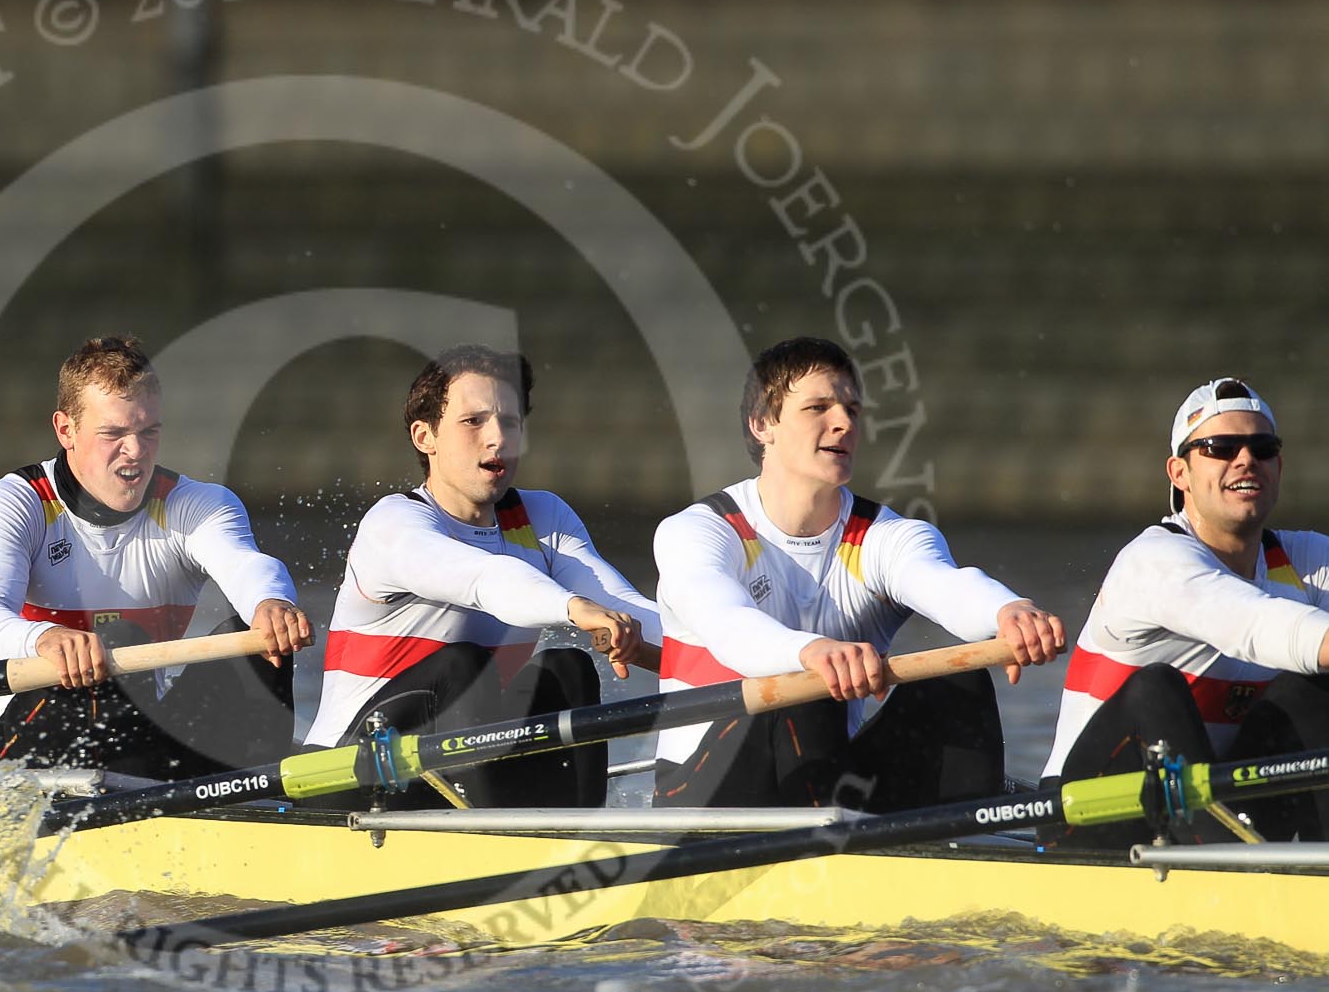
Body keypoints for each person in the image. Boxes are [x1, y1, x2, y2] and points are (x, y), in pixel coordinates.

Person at [649, 336, 1063, 812]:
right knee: (802, 685)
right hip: (701, 792)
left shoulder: (886, 537)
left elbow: (943, 584)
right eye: (818, 407)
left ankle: (961, 853)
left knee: (960, 684)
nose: (843, 423)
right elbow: (728, 626)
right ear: (763, 424)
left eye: (851, 408)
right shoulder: (699, 531)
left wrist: (1006, 611)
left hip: (826, 778)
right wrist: (812, 650)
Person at [303, 344, 660, 809]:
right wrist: (572, 606)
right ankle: (494, 840)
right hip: (344, 778)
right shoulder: (392, 524)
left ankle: (578, 841)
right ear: (424, 436)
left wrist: (767, 660)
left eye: (509, 423)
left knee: (567, 668)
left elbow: (628, 608)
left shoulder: (544, 517)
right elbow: (483, 579)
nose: (497, 439)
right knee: (463, 664)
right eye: (473, 422)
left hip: (451, 770)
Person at [0, 335, 312, 780]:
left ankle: (252, 803)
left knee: (257, 639)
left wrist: (269, 603)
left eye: (149, 432)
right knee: (120, 636)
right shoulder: (15, 503)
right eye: (114, 433)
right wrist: (45, 639)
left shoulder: (196, 504)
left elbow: (245, 565)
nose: (136, 452)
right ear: (66, 430)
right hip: (19, 743)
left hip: (141, 739)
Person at [1042, 377, 1329, 847]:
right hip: (1088, 816)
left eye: (1262, 448)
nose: (1245, 460)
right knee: (1155, 687)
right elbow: (1259, 625)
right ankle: (1223, 865)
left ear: (1278, 464)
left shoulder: (1309, 561)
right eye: (1221, 447)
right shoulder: (1154, 562)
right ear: (1179, 473)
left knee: (1314, 690)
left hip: (1219, 809)